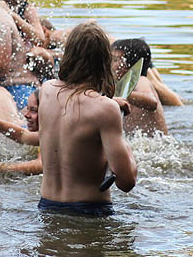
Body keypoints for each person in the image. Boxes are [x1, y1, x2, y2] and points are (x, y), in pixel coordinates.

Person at [35, 22, 136, 217]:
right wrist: (126, 147)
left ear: (68, 55)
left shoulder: (46, 91)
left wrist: (108, 102)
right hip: (89, 212)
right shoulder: (105, 109)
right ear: (104, 61)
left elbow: (72, 110)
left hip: (47, 209)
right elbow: (126, 182)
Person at [111, 38, 169, 136]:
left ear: (129, 64)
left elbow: (152, 102)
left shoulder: (141, 81)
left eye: (115, 60)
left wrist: (118, 93)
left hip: (154, 142)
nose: (110, 64)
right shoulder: (125, 85)